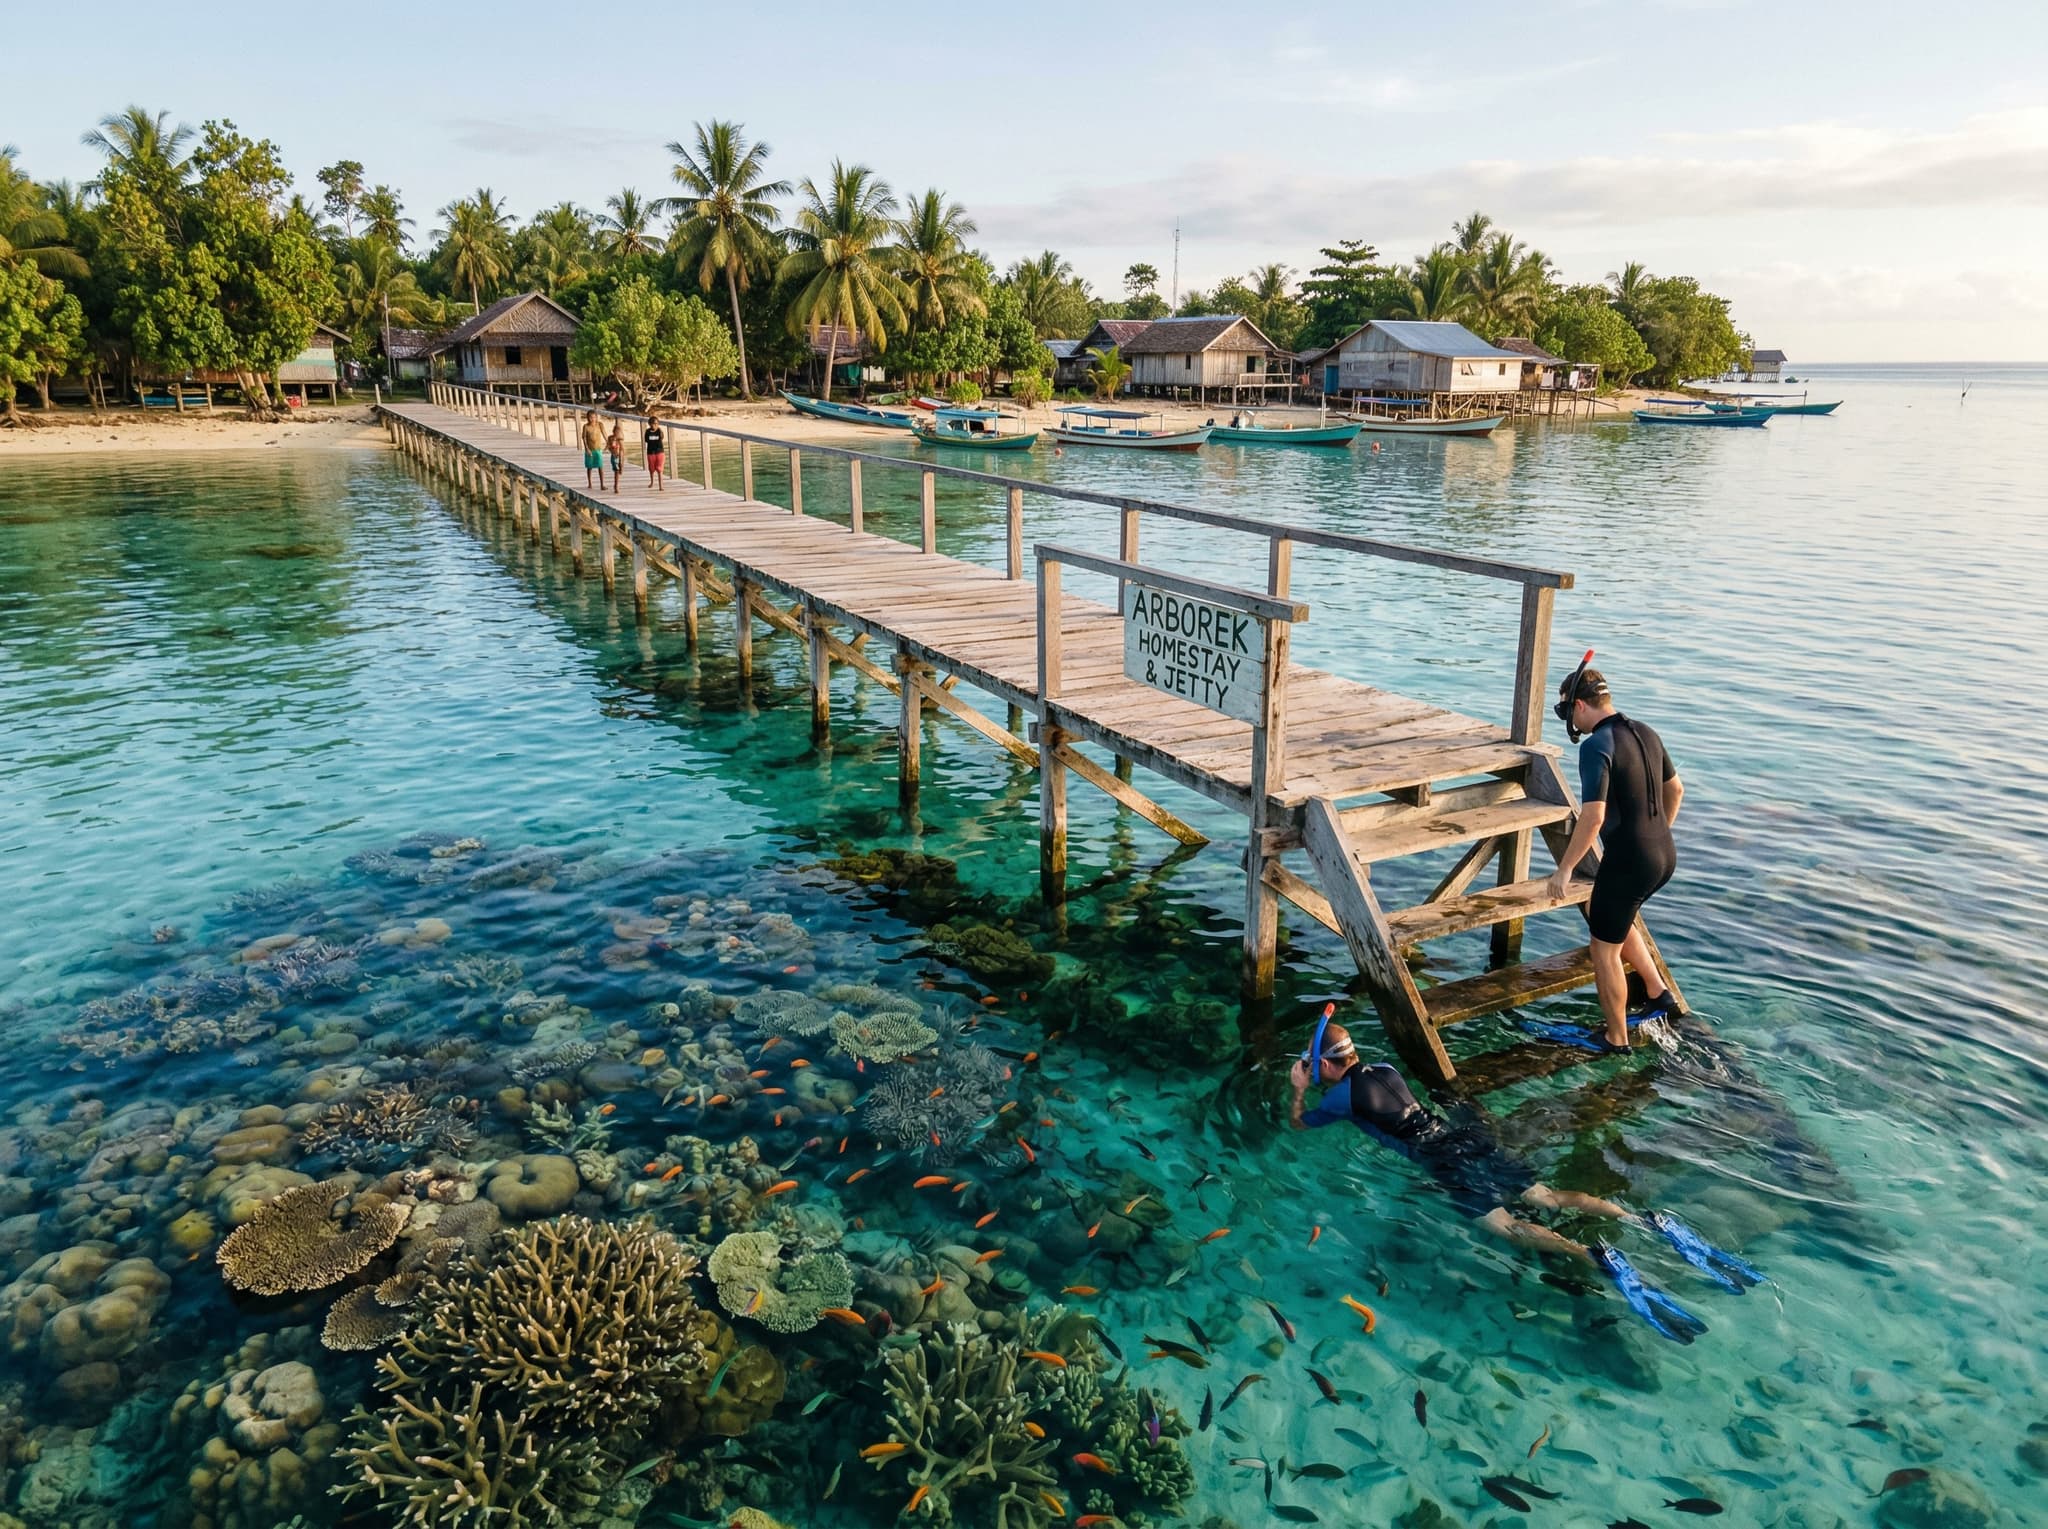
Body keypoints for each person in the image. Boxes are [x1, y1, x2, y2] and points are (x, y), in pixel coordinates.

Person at [1289, 1011, 1760, 1343]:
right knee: (1548, 1196)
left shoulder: (1338, 1099)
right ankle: (1641, 1221)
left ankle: (1593, 1256)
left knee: (1507, 1228)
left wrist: (1298, 1090)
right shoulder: (1387, 1068)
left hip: (1440, 1159)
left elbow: (1299, 1125)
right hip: (1462, 1138)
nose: (1311, 1071)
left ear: (1327, 1063)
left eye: (1314, 1064)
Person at [1545, 663, 1682, 1050]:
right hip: (1664, 854)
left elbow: (1594, 816)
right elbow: (1677, 791)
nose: (1566, 720)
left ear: (1580, 707)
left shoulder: (1596, 746)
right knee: (1618, 920)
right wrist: (1655, 834)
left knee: (1602, 950)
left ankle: (1615, 1037)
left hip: (1630, 860)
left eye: (1563, 712)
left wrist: (1565, 869)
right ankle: (1657, 993)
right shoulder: (1646, 732)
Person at [580, 410, 606, 491]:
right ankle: (590, 483)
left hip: (598, 448)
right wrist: (587, 448)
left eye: (594, 417)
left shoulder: (599, 425)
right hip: (590, 449)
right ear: (587, 418)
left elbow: (604, 434)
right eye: (590, 417)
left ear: (596, 417)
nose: (592, 419)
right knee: (589, 467)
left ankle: (602, 484)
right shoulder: (586, 426)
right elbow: (584, 438)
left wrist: (608, 443)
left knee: (600, 466)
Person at [643, 411, 666, 492]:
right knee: (652, 468)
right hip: (651, 452)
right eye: (653, 424)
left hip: (659, 452)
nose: (655, 425)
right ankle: (652, 482)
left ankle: (661, 486)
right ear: (650, 424)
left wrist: (659, 431)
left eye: (656, 424)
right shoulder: (648, 432)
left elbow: (662, 437)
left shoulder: (659, 431)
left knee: (659, 469)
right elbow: (646, 440)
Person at [605, 419, 625, 494]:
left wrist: (622, 460)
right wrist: (607, 449)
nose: (617, 434)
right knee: (616, 472)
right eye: (616, 432)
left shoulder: (620, 440)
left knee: (620, 470)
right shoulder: (611, 438)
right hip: (614, 457)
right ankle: (616, 487)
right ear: (613, 432)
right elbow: (608, 446)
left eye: (618, 432)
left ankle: (616, 485)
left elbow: (623, 450)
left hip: (619, 457)